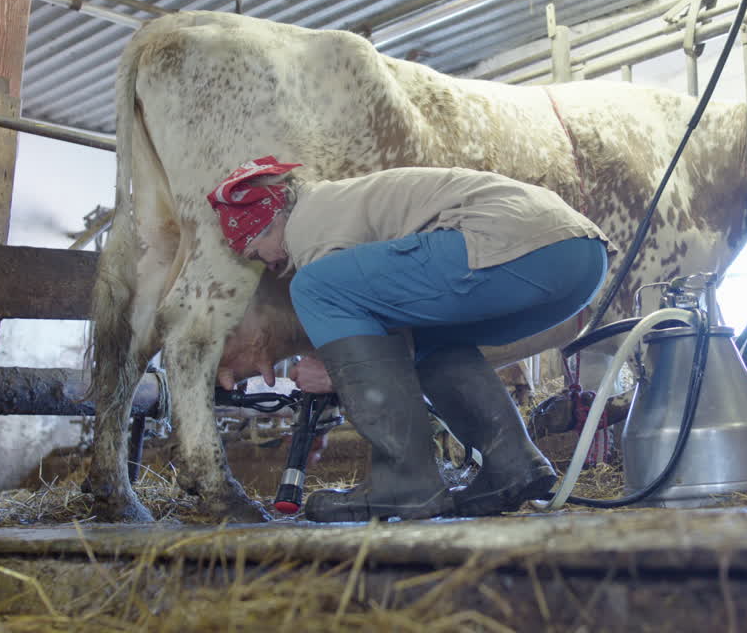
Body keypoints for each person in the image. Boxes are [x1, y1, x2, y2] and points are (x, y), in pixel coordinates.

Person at [207, 157, 612, 522]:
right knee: (429, 337)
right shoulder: (338, 203)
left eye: (258, 253)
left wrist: (333, 370)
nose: (269, 263)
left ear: (270, 219)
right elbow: (394, 333)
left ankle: (405, 480)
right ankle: (512, 462)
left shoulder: (307, 229)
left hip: (518, 247)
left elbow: (363, 334)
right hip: (577, 261)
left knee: (313, 287)